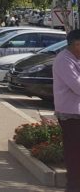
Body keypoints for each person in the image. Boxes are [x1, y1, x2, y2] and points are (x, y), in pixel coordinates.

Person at [53, 29, 80, 191]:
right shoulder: (64, 60)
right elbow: (78, 86)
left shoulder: (76, 58)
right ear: (75, 44)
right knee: (74, 152)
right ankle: (73, 186)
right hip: (71, 115)